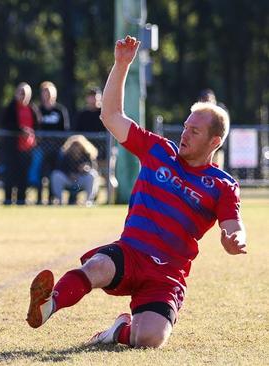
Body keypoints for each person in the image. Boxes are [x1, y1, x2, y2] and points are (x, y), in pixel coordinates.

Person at [26, 35, 247, 348]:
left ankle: (118, 332)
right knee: (98, 267)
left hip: (167, 276)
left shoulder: (223, 185)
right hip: (130, 253)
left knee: (150, 338)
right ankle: (50, 304)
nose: (184, 134)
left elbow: (233, 224)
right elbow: (111, 116)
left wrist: (236, 238)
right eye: (185, 126)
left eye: (194, 131)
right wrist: (121, 65)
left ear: (214, 141)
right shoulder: (159, 150)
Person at [0, 82, 37, 205]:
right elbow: (6, 124)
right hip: (12, 148)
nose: (23, 96)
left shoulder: (32, 108)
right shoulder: (11, 107)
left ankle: (21, 200)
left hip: (27, 149)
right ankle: (8, 199)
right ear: (16, 93)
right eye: (21, 93)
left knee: (23, 176)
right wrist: (21, 131)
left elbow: (37, 125)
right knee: (10, 175)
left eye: (26, 93)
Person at [33, 81, 70, 204]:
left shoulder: (60, 110)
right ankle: (39, 198)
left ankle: (51, 198)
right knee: (40, 173)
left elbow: (64, 130)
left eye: (49, 92)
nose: (47, 95)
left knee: (54, 173)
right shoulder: (38, 110)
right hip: (41, 148)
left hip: (56, 147)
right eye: (44, 92)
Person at [50, 135, 100, 206]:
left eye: (78, 145)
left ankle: (88, 201)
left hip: (80, 180)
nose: (76, 148)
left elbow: (93, 168)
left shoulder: (87, 155)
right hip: (68, 180)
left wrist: (85, 169)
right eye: (74, 145)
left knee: (92, 174)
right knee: (56, 175)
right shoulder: (65, 155)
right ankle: (59, 200)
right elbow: (59, 168)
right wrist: (69, 174)